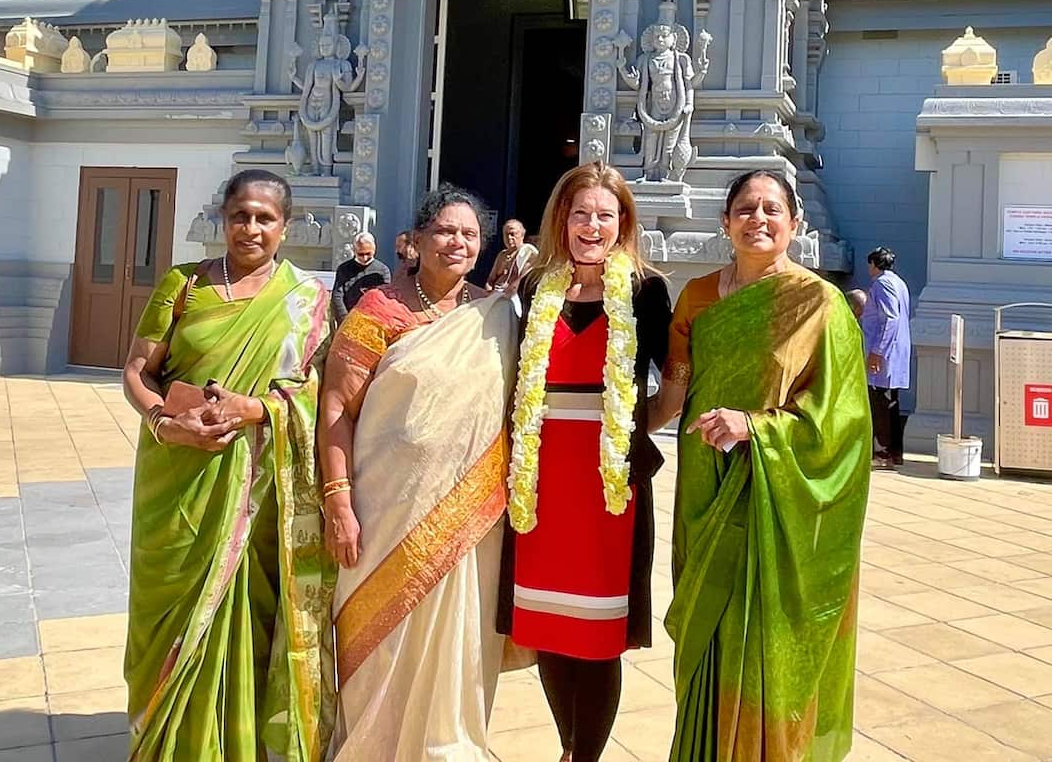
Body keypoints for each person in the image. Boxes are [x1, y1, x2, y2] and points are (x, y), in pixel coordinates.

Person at [650, 169, 870, 762]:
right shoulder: (696, 296)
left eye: (772, 209)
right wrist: (610, 427)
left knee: (766, 638)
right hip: (706, 489)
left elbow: (845, 425)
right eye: (745, 208)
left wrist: (756, 427)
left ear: (795, 224)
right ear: (725, 223)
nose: (759, 219)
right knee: (710, 631)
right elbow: (674, 394)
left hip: (778, 500)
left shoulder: (820, 304)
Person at [122, 169, 335, 762]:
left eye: (265, 218)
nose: (251, 228)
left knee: (247, 615)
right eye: (241, 215)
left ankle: (235, 745)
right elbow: (137, 371)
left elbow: (316, 393)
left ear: (285, 226)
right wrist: (166, 423)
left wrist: (258, 408)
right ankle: (165, 742)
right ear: (223, 218)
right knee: (169, 618)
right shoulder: (183, 284)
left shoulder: (305, 300)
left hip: (255, 488)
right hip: (176, 480)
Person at [320, 184, 517, 761]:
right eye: (445, 231)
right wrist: (338, 500)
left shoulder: (497, 315)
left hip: (471, 519)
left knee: (461, 642)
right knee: (380, 640)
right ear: (417, 240)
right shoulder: (378, 311)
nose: (457, 242)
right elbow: (336, 408)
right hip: (384, 511)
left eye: (469, 234)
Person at [498, 163, 671, 762]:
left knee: (598, 633)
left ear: (623, 223)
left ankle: (586, 757)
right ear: (561, 220)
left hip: (606, 485)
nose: (592, 226)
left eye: (605, 215)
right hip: (542, 480)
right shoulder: (534, 289)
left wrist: (631, 427)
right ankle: (568, 745)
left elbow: (675, 378)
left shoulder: (646, 291)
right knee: (548, 624)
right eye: (580, 214)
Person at [864, 246, 912, 468]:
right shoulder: (899, 283)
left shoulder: (882, 284)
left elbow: (889, 319)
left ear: (874, 264)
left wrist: (877, 352)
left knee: (880, 403)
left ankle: (882, 453)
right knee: (891, 403)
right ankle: (894, 453)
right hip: (896, 351)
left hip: (884, 353)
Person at [330, 232, 391, 323]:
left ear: (374, 249)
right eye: (361, 254)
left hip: (373, 320)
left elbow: (385, 299)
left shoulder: (382, 270)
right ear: (354, 250)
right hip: (348, 318)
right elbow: (337, 296)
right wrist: (345, 319)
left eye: (368, 254)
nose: (365, 258)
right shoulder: (344, 269)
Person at [485, 218, 538, 296]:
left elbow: (519, 283)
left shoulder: (528, 253)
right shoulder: (502, 255)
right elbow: (490, 281)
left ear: (522, 235)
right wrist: (488, 295)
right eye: (506, 234)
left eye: (512, 234)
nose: (509, 237)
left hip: (512, 297)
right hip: (494, 295)